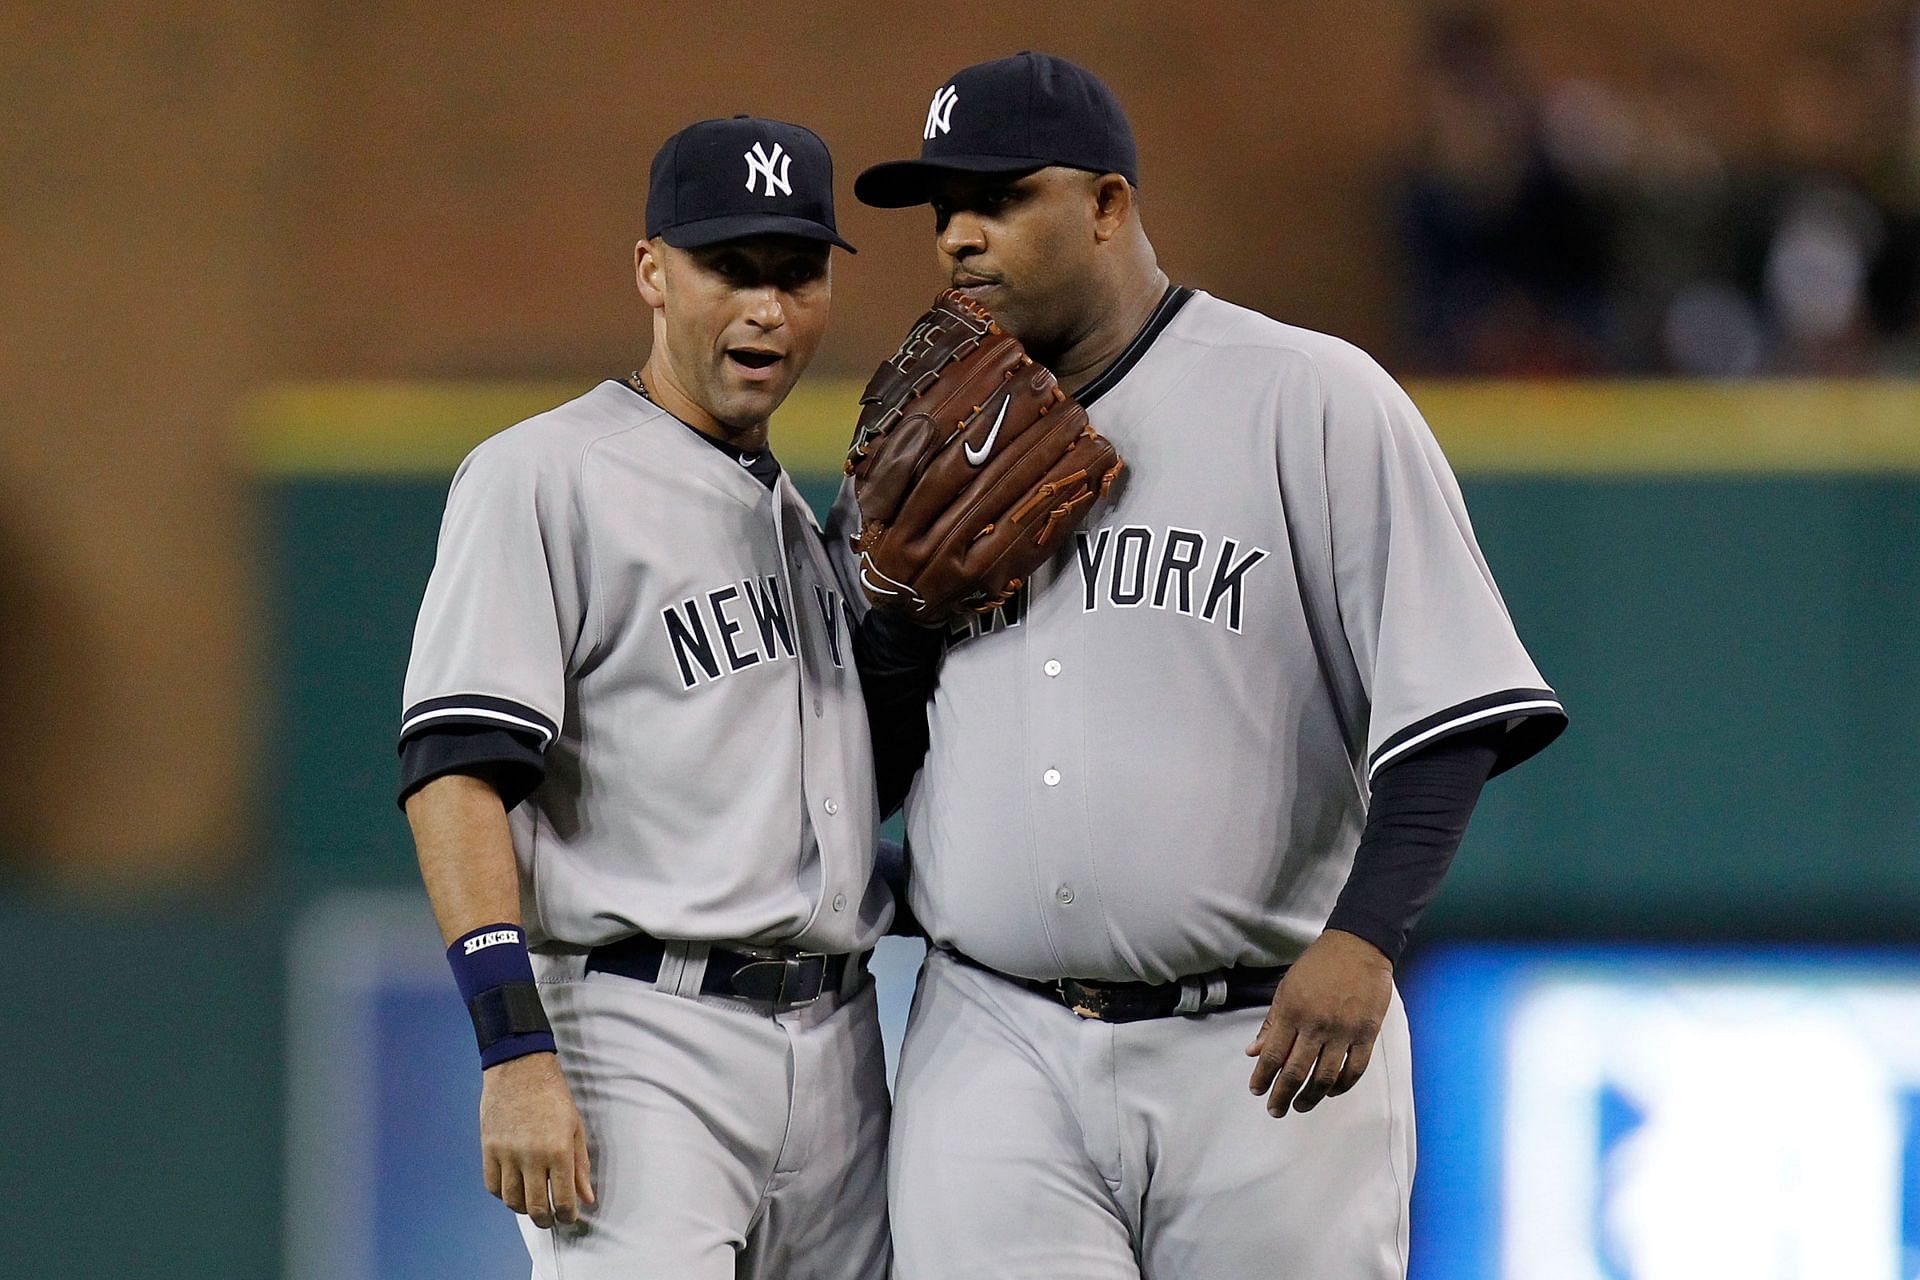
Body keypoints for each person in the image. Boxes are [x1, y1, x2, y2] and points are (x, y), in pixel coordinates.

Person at [837, 53, 1567, 1279]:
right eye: (940, 208)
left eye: (1002, 197)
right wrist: (899, 623)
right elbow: (861, 768)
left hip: (1261, 1045)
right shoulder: (915, 445)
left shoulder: (1308, 394)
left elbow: (1450, 707)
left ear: (1111, 204)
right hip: (992, 1041)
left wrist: (1369, 936)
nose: (960, 236)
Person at [398, 115, 891, 1279]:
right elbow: (457, 774)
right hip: (640, 1032)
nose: (766, 307)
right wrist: (512, 1044)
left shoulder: (795, 520)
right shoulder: (541, 474)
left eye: (796, 272)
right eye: (730, 269)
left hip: (840, 1038)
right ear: (653, 272)